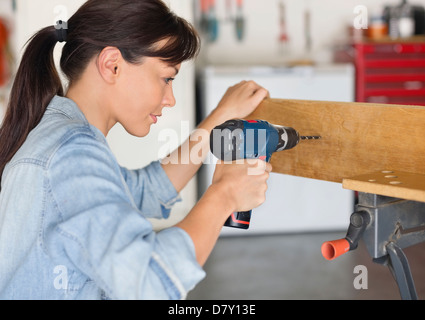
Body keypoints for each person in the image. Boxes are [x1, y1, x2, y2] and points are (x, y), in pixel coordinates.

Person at [0, 0, 270, 299]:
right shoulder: (71, 154)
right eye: (166, 78)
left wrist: (217, 119)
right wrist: (225, 194)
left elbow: (146, 191)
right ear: (111, 65)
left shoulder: (61, 137)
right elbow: (149, 283)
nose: (170, 99)